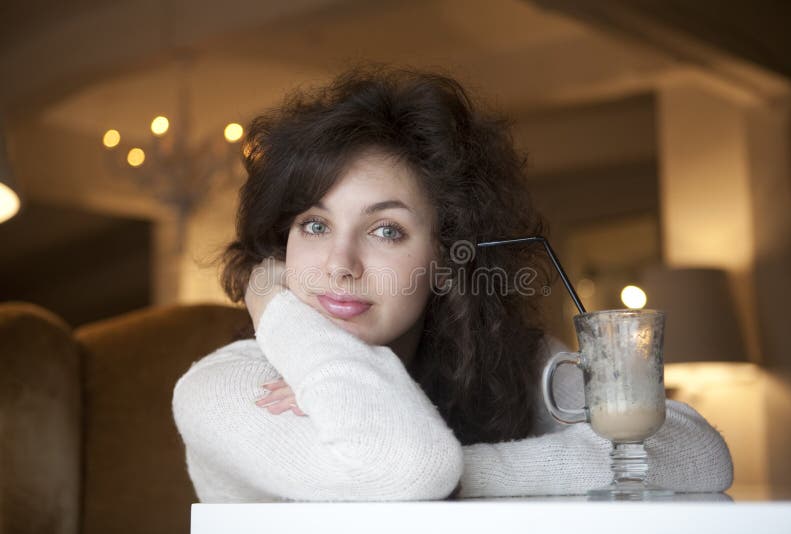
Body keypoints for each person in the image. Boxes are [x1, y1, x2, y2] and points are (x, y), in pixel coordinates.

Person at [172, 65, 733, 502]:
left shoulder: (506, 361)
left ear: (445, 258)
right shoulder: (224, 388)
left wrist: (465, 470)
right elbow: (407, 466)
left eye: (387, 231)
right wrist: (271, 301)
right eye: (314, 225)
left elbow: (698, 452)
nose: (340, 264)